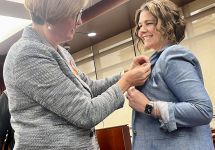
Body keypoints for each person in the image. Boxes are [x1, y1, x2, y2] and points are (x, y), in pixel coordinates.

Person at [3, 0, 151, 149]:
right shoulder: (28, 54)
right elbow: (86, 114)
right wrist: (126, 82)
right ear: (53, 16)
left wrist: (125, 75)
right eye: (75, 15)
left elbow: (90, 88)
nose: (79, 21)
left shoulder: (60, 53)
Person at [126, 0, 214, 149]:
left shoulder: (172, 56)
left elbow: (202, 110)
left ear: (167, 25)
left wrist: (149, 107)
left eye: (149, 23)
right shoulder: (155, 60)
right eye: (140, 25)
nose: (141, 30)